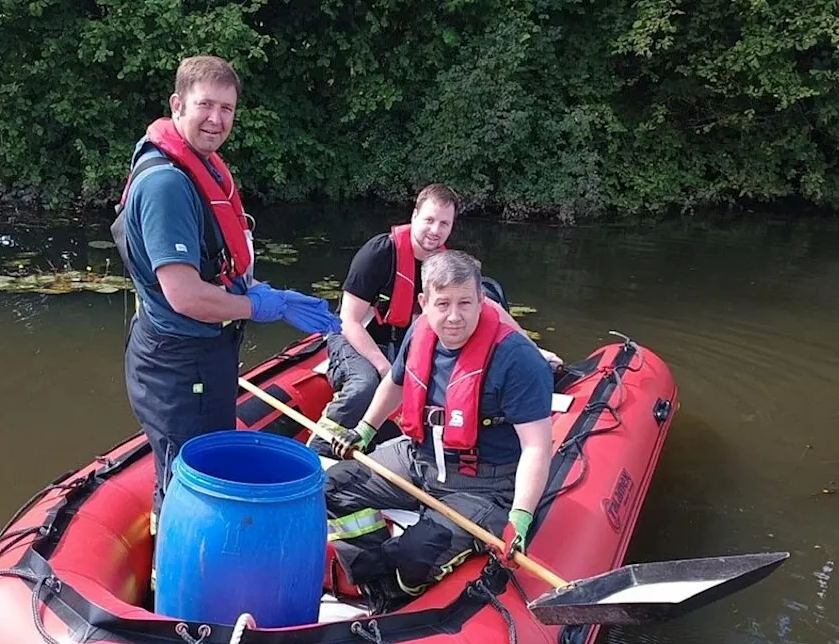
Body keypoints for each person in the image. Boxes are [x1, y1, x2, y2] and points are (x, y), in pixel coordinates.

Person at [111, 55, 341, 533]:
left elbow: (217, 264)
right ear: (178, 105)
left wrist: (259, 290)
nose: (216, 119)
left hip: (203, 355)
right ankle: (172, 589)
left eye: (227, 109)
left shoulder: (201, 167)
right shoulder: (166, 185)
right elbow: (185, 296)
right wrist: (263, 306)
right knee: (186, 481)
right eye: (205, 105)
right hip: (178, 362)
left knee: (198, 465)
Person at [323, 250, 556, 613]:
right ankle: (374, 577)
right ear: (424, 303)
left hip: (485, 484)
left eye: (465, 302)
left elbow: (537, 447)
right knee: (331, 488)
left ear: (481, 300)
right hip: (418, 457)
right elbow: (397, 383)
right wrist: (364, 430)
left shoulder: (517, 360)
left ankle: (402, 589)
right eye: (443, 303)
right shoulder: (421, 332)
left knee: (415, 554)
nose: (454, 316)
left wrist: (521, 517)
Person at [305, 185, 560, 457]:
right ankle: (319, 447)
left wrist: (536, 351)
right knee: (365, 384)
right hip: (354, 338)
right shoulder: (379, 254)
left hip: (398, 344)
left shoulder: (444, 265)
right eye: (429, 220)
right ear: (414, 216)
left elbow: (490, 307)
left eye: (444, 223)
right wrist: (383, 368)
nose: (435, 230)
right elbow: (349, 321)